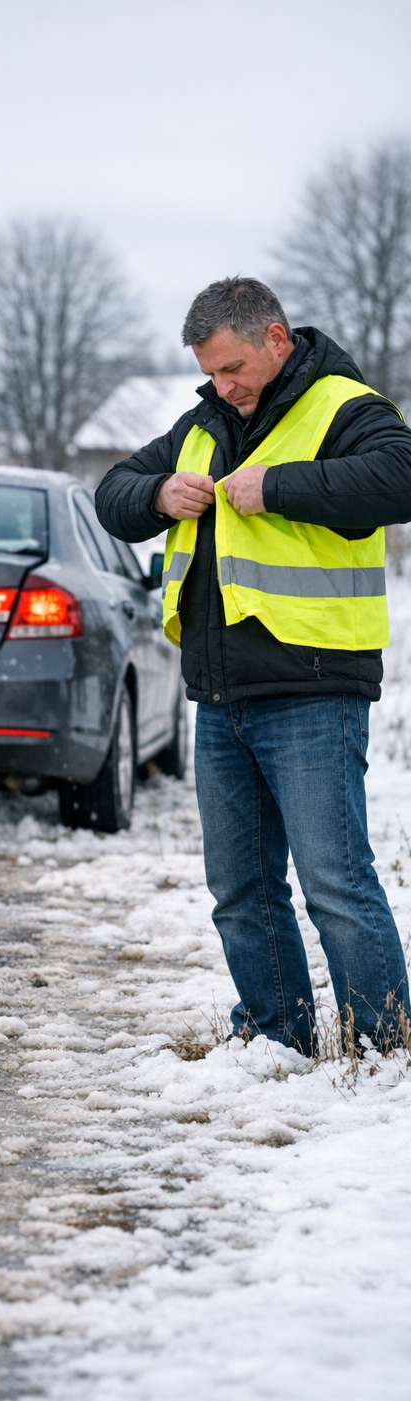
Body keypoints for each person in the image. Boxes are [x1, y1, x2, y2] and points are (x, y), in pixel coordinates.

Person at [95, 276, 411, 1055]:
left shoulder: (344, 407)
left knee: (335, 883)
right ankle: (277, 1037)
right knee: (239, 891)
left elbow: (399, 477)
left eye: (233, 367)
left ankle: (384, 1048)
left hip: (312, 684)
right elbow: (112, 493)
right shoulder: (202, 423)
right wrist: (160, 494)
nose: (222, 384)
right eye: (210, 371)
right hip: (220, 693)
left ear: (276, 338)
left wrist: (274, 486)